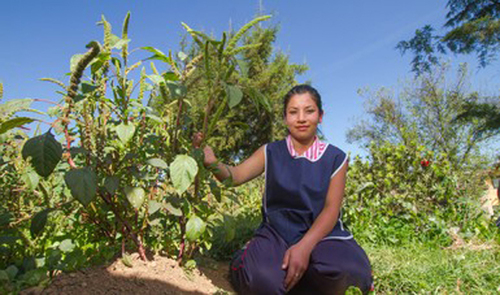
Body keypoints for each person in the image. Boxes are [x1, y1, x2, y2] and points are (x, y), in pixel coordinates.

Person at [193, 84, 373, 294]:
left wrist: (304, 248)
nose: (301, 118)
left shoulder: (336, 157)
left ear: (321, 116)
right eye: (293, 112)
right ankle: (246, 260)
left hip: (323, 235)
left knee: (348, 274)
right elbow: (235, 176)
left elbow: (331, 210)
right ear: (286, 118)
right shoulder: (270, 152)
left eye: (309, 111)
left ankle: (300, 277)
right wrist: (211, 162)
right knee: (261, 280)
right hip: (278, 233)